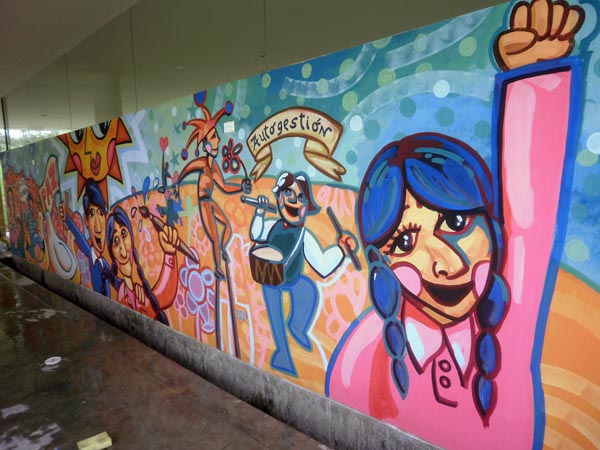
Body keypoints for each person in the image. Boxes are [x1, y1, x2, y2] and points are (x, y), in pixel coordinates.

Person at [326, 1, 584, 449]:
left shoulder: (508, 315)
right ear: (381, 261)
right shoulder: (368, 354)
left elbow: (528, 215)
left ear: (492, 226)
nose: (445, 263)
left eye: (456, 221)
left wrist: (534, 79)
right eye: (404, 241)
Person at [250, 171, 356, 376]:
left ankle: (297, 327)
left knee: (309, 290)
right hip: (271, 278)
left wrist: (341, 250)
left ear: (306, 206)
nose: (294, 201)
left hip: (292, 279)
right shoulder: (272, 226)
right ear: (280, 198)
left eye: (300, 197)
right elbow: (256, 233)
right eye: (288, 193)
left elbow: (322, 265)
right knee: (274, 313)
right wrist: (260, 213)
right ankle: (282, 354)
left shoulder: (303, 235)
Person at [178, 91, 251, 280]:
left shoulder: (214, 167)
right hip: (204, 203)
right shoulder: (203, 163)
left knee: (227, 227)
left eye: (216, 136)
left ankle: (222, 251)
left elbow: (224, 187)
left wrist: (241, 188)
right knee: (215, 238)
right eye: (213, 137)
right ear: (206, 145)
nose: (217, 140)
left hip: (209, 201)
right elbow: (187, 169)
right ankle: (218, 267)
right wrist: (176, 185)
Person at [106, 206, 179, 325]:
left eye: (124, 234)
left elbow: (164, 295)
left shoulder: (143, 289)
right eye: (116, 241)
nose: (122, 248)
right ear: (111, 252)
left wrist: (169, 253)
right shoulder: (122, 293)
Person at [60, 179, 111, 297]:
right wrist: (66, 219)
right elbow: (79, 238)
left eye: (101, 213)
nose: (98, 228)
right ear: (86, 221)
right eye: (92, 214)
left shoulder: (104, 264)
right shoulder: (91, 254)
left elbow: (116, 281)